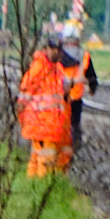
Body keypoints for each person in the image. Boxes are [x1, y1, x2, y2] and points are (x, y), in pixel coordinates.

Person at [18, 19, 84, 177]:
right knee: (45, 159)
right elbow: (24, 96)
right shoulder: (39, 67)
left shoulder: (57, 69)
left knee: (37, 157)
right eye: (54, 49)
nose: (58, 53)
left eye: (59, 49)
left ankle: (34, 183)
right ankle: (41, 185)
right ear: (46, 49)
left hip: (51, 125)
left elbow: (63, 93)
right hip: (43, 124)